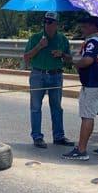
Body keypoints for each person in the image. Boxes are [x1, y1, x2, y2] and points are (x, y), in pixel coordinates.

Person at [63, 16, 98, 161]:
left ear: (93, 26)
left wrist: (74, 62)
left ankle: (81, 150)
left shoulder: (93, 42)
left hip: (93, 85)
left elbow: (87, 60)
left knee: (87, 116)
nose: (82, 29)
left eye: (85, 26)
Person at [22, 11, 74, 149]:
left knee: (57, 107)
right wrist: (39, 46)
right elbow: (26, 57)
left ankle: (59, 136)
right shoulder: (36, 38)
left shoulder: (62, 39)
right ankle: (37, 137)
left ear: (57, 24)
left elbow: (70, 59)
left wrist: (61, 54)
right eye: (45, 22)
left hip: (56, 75)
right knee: (35, 107)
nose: (47, 25)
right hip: (38, 75)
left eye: (50, 22)